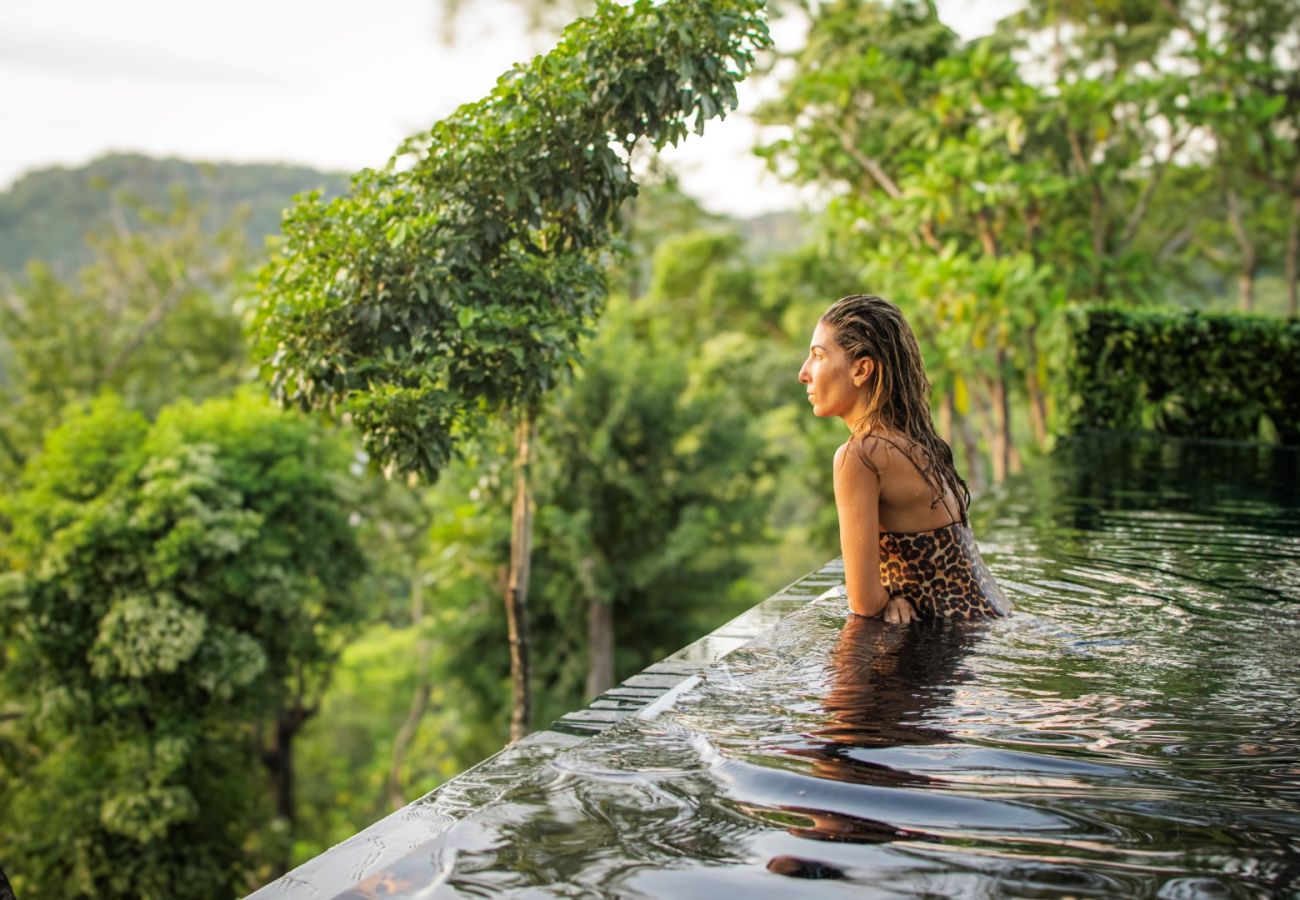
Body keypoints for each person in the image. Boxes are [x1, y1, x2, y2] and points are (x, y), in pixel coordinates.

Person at [798, 294, 1008, 623]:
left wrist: (885, 599)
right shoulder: (913, 442)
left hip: (957, 646)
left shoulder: (860, 457)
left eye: (818, 356)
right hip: (989, 628)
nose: (803, 373)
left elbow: (864, 603)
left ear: (862, 369)